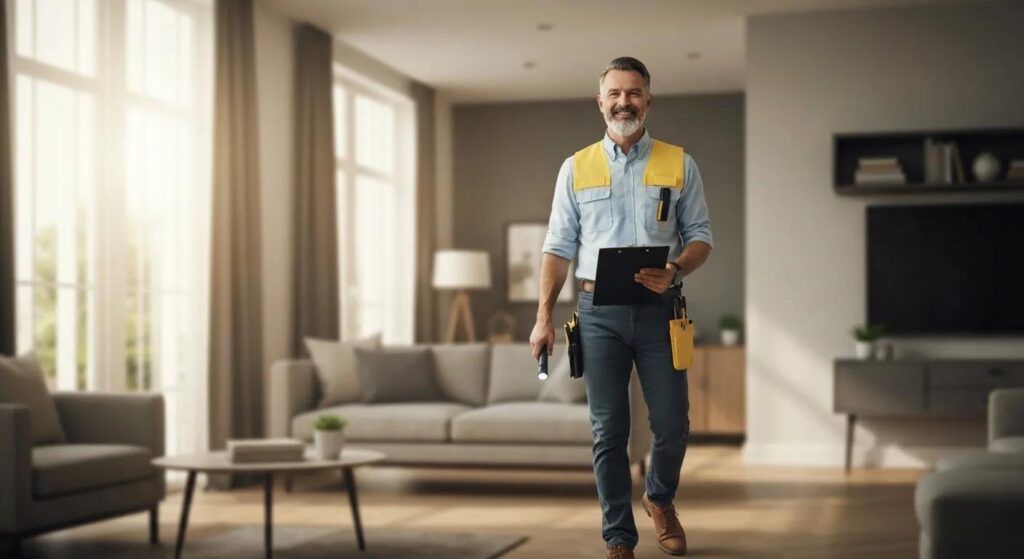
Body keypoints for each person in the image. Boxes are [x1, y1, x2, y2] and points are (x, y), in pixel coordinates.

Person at [529, 57, 713, 559]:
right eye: (614, 93)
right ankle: (618, 537)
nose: (623, 102)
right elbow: (557, 248)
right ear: (601, 102)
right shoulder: (576, 166)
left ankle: (659, 498)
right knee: (608, 431)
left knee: (672, 424)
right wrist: (543, 317)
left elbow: (700, 237)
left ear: (648, 100)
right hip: (597, 313)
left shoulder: (679, 163)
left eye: (633, 93)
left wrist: (675, 268)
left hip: (660, 310)